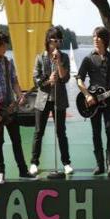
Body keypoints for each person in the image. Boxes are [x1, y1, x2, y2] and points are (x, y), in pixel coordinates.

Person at [0, 30, 35, 184]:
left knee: (17, 140)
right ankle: (1, 173)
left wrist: (19, 94)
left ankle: (23, 171)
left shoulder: (8, 62)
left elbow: (14, 82)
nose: (6, 48)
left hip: (10, 109)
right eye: (4, 45)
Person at [76, 26, 110, 177]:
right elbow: (79, 79)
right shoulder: (88, 59)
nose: (95, 39)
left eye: (98, 37)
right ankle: (99, 165)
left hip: (108, 101)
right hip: (93, 103)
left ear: (104, 40)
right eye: (93, 36)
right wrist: (87, 95)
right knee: (96, 133)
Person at [29, 26, 73, 175]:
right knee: (39, 131)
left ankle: (66, 163)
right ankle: (34, 162)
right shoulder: (40, 58)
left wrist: (59, 62)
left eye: (59, 41)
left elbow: (65, 78)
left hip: (59, 99)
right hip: (43, 100)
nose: (56, 44)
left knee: (61, 132)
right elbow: (36, 80)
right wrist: (48, 80)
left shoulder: (64, 57)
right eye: (54, 40)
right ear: (48, 41)